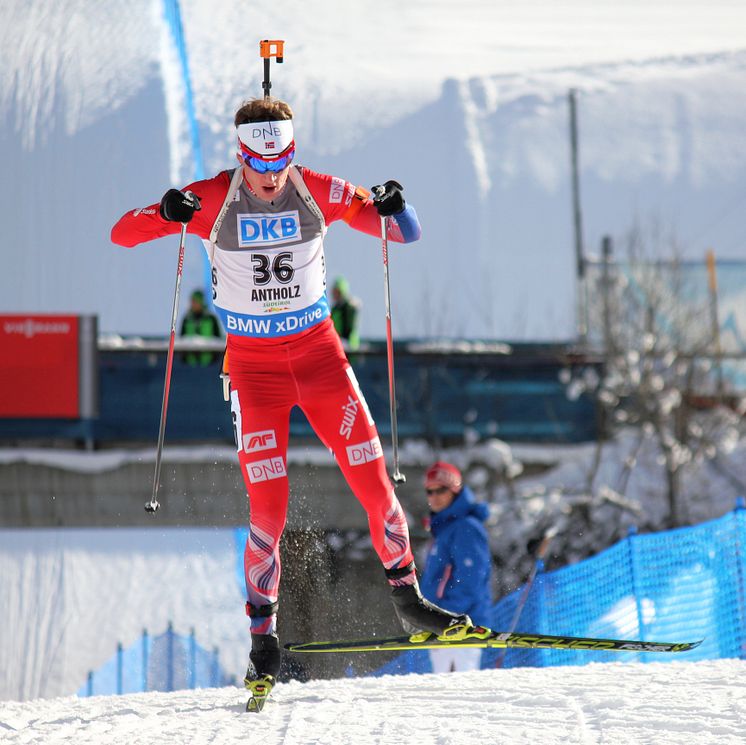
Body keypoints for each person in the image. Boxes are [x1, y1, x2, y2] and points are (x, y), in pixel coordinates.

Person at [110, 96, 474, 698]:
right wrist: (165, 210)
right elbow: (123, 235)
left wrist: (395, 203)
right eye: (261, 164)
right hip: (254, 373)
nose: (273, 177)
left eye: (283, 162)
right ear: (241, 155)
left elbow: (405, 233)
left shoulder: (318, 191)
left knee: (375, 481)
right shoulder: (213, 199)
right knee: (269, 512)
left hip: (320, 359)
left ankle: (407, 601)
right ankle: (263, 643)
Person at [419, 461, 492, 673]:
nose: (434, 497)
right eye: (429, 491)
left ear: (454, 490)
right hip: (443, 625)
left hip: (460, 626)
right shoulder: (446, 528)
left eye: (440, 490)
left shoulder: (464, 527)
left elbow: (471, 578)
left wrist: (448, 617)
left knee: (457, 692)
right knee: (445, 693)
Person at [180, 288, 222, 366]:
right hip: (189, 364)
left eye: (195, 301)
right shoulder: (187, 318)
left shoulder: (211, 319)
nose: (193, 304)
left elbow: (218, 340)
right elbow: (182, 340)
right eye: (192, 301)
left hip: (209, 363)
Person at [330, 276, 361, 350]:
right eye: (334, 291)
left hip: (348, 345)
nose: (335, 294)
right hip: (338, 342)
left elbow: (349, 327)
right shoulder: (334, 308)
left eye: (337, 291)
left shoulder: (349, 307)